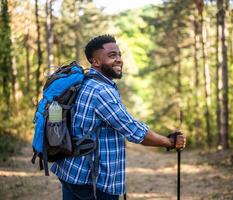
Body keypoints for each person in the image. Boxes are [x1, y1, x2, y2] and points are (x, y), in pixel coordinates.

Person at [51, 34, 186, 200]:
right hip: (91, 180)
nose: (119, 60)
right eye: (112, 55)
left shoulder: (85, 82)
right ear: (96, 62)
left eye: (119, 54)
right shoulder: (102, 91)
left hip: (71, 171)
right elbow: (134, 131)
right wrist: (169, 142)